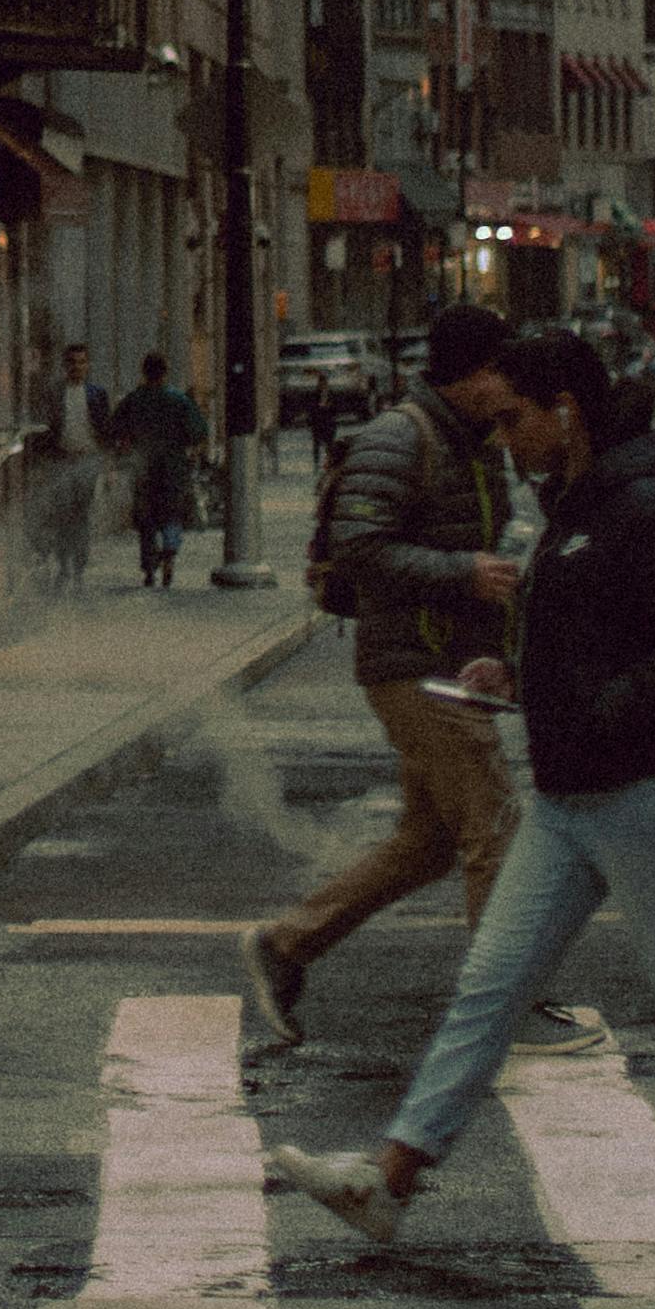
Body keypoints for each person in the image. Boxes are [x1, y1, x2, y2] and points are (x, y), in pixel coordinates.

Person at [270, 322, 655, 1265]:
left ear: (563, 411)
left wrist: (602, 708)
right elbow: (592, 641)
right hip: (570, 798)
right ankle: (387, 1180)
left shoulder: (638, 503)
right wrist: (519, 677)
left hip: (646, 790)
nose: (501, 438)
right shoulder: (573, 500)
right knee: (489, 991)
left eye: (512, 419)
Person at [239, 297, 527, 1052]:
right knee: (495, 829)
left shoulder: (474, 440)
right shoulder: (401, 437)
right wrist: (462, 573)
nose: (510, 388)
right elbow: (359, 548)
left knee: (428, 841)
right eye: (501, 371)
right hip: (415, 667)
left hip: (451, 666)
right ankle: (502, 1005)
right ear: (472, 373)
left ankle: (286, 944)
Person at [109, 346, 206, 589]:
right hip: (173, 468)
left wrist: (126, 445)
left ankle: (150, 567)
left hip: (143, 467)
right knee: (172, 513)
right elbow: (198, 431)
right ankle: (169, 552)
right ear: (165, 372)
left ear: (144, 372)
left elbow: (115, 427)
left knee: (147, 519)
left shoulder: (134, 399)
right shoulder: (179, 400)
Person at [25, 345, 111, 590]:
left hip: (88, 459)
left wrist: (106, 461)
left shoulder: (97, 394)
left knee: (80, 515)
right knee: (63, 515)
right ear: (65, 365)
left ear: (88, 365)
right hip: (61, 460)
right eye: (73, 362)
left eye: (82, 362)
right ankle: (64, 565)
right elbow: (45, 427)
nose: (77, 367)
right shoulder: (54, 393)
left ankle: (79, 567)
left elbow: (106, 428)